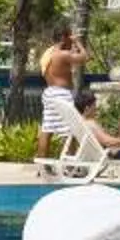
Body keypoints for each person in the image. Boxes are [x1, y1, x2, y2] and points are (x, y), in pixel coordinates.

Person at [38, 26, 88, 155]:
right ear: (64, 37)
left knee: (47, 128)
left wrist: (71, 43)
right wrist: (77, 42)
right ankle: (70, 164)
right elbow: (84, 57)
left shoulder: (48, 53)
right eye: (70, 37)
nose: (71, 40)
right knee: (70, 129)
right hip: (61, 94)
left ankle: (43, 163)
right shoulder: (63, 54)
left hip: (49, 92)